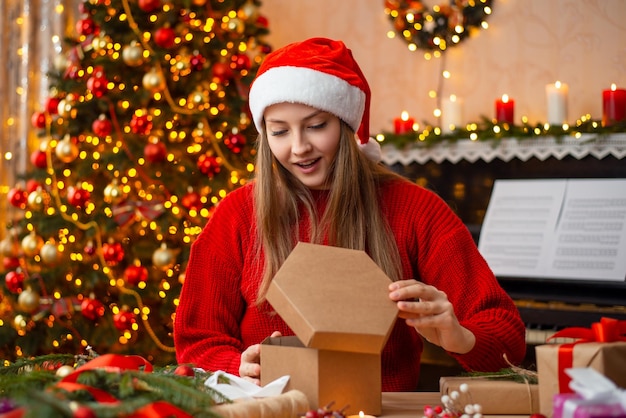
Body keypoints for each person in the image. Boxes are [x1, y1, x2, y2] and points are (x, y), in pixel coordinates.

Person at [174, 37, 526, 391]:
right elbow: (198, 342)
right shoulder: (237, 214)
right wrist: (237, 367)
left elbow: (506, 337)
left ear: (347, 126)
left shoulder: (418, 210)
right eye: (279, 131)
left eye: (316, 126)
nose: (298, 147)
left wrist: (459, 336)